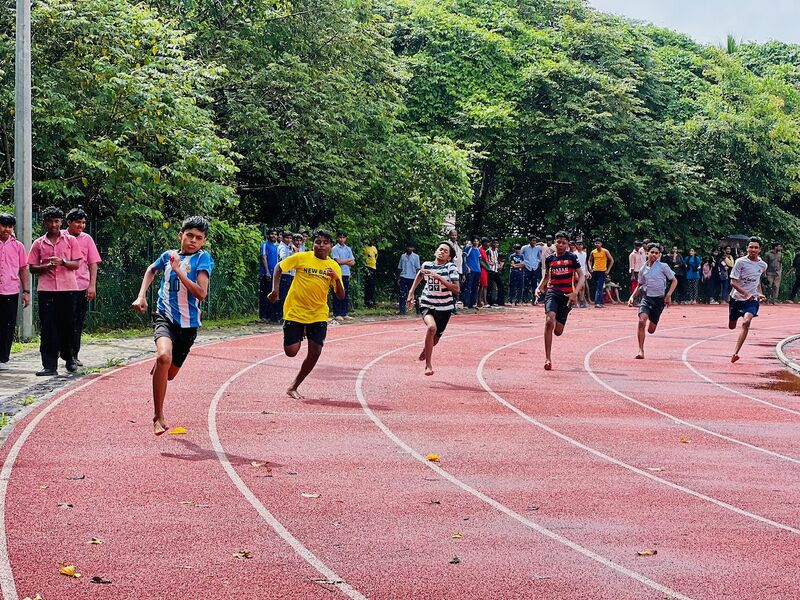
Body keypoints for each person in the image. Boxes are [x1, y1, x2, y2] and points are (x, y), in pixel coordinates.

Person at [132, 216, 214, 435]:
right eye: (189, 235)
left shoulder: (203, 259)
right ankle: (158, 416)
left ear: (203, 241)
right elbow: (151, 269)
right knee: (163, 358)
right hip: (164, 316)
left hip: (188, 326)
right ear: (181, 235)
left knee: (169, 374)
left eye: (198, 238)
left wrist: (178, 270)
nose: (193, 241)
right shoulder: (168, 256)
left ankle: (162, 365)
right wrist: (142, 296)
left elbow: (201, 293)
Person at [268, 230, 344, 398]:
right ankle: (299, 332)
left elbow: (340, 295)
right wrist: (275, 291)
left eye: (325, 242)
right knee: (291, 351)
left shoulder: (333, 266)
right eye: (318, 242)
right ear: (313, 244)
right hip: (295, 311)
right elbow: (278, 267)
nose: (321, 245)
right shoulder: (302, 257)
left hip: (318, 314)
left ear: (330, 246)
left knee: (315, 352)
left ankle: (293, 386)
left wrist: (337, 279)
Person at [28, 206, 81, 376]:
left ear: (61, 222)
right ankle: (49, 365)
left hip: (68, 288)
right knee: (48, 327)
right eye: (50, 221)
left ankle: (70, 358)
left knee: (68, 325)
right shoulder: (38, 243)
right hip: (47, 290)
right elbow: (32, 268)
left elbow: (77, 264)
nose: (53, 224)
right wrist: (47, 266)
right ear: (45, 223)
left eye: (57, 221)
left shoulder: (71, 241)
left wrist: (63, 262)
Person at [406, 241, 460, 376]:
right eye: (440, 249)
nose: (441, 252)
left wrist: (439, 277)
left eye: (445, 251)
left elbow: (456, 289)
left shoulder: (450, 268)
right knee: (431, 328)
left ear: (448, 257)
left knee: (435, 340)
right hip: (427, 303)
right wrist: (411, 292)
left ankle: (426, 349)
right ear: (435, 251)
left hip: (445, 308)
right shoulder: (427, 265)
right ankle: (428, 365)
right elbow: (420, 274)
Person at [535, 231, 585, 371]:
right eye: (558, 242)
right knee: (549, 321)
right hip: (552, 292)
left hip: (567, 296)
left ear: (568, 245)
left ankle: (559, 317)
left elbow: (582, 277)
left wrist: (575, 293)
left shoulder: (572, 258)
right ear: (555, 243)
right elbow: (546, 278)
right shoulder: (550, 259)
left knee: (558, 331)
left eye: (564, 243)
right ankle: (548, 358)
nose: (560, 245)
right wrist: (538, 288)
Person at [628, 243, 677, 359]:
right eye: (652, 252)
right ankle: (641, 350)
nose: (654, 255)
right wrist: (632, 297)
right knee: (641, 322)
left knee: (651, 330)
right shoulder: (642, 269)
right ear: (647, 253)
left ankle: (653, 319)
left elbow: (674, 281)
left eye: (656, 253)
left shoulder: (663, 266)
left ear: (659, 255)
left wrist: (669, 295)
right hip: (646, 298)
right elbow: (640, 285)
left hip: (659, 300)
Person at [728, 237, 768, 363]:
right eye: (751, 247)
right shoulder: (740, 262)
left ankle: (735, 353)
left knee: (746, 323)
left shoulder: (763, 265)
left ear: (760, 249)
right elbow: (733, 282)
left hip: (752, 300)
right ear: (747, 248)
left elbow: (757, 280)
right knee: (731, 325)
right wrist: (745, 294)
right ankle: (733, 318)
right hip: (736, 299)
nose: (753, 249)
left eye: (756, 247)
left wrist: (759, 293)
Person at [0, 213, 30, 369]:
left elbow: (23, 269)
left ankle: (3, 358)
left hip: (10, 291)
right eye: (4, 225)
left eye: (10, 226)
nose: (7, 229)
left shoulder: (18, 246)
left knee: (8, 325)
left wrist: (26, 291)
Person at [331, 231, 355, 321]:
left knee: (345, 293)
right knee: (337, 292)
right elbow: (338, 261)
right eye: (340, 237)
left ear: (346, 238)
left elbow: (353, 262)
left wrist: (344, 261)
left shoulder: (348, 249)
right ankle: (337, 313)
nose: (342, 239)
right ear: (337, 238)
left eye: (343, 237)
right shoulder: (335, 248)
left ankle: (344, 312)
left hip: (346, 273)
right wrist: (348, 260)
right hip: (337, 273)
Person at [259, 229, 279, 322]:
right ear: (268, 235)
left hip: (275, 274)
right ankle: (263, 315)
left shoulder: (277, 246)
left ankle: (271, 315)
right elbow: (264, 257)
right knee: (265, 294)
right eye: (272, 234)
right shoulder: (265, 245)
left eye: (275, 234)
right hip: (266, 273)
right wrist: (267, 271)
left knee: (273, 294)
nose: (274, 236)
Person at [587, 239, 613, 308]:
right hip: (595, 270)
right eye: (596, 243)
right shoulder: (593, 252)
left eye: (598, 243)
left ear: (601, 244)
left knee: (599, 286)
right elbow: (589, 260)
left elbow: (611, 260)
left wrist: (608, 270)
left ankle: (597, 303)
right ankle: (601, 302)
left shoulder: (605, 251)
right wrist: (590, 268)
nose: (597, 244)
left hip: (602, 271)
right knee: (598, 287)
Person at [277, 231, 296, 319]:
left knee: (288, 294)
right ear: (283, 238)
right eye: (287, 238)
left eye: (290, 238)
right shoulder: (282, 247)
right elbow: (283, 258)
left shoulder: (289, 247)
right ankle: (282, 315)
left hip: (290, 273)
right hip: (284, 273)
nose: (289, 240)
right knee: (284, 295)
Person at [397, 242, 420, 314]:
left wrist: (418, 279)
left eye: (411, 247)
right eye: (408, 247)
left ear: (413, 248)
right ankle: (402, 310)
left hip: (412, 277)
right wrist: (398, 278)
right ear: (406, 248)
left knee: (413, 294)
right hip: (403, 276)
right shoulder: (403, 256)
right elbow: (400, 267)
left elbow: (417, 268)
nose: (410, 249)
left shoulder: (416, 257)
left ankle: (417, 309)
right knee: (402, 294)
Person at [521, 235, 542, 305]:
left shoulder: (537, 248)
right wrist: (524, 263)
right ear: (529, 241)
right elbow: (520, 256)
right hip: (527, 267)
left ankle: (534, 300)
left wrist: (537, 262)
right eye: (533, 240)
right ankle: (524, 300)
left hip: (535, 267)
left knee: (534, 285)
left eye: (535, 241)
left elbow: (539, 257)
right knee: (526, 284)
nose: (534, 242)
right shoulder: (524, 248)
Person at [462, 236, 481, 309]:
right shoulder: (468, 248)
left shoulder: (478, 250)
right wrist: (467, 267)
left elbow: (479, 260)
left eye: (477, 241)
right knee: (468, 287)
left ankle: (473, 303)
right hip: (471, 270)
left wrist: (479, 269)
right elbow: (464, 258)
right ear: (472, 242)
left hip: (477, 270)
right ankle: (466, 303)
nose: (476, 242)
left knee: (475, 287)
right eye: (474, 241)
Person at [487, 238, 505, 306]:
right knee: (491, 286)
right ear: (491, 243)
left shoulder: (496, 251)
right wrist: (489, 263)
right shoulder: (488, 251)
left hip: (495, 270)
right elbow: (485, 260)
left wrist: (499, 266)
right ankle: (490, 301)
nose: (495, 244)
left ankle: (500, 301)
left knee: (500, 285)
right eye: (494, 243)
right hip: (490, 270)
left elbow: (497, 260)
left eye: (497, 243)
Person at [363, 240, 378, 308]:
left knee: (373, 284)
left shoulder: (374, 248)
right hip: (367, 266)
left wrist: (374, 260)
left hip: (373, 267)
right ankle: (367, 300)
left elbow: (376, 254)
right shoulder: (365, 248)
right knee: (368, 283)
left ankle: (372, 299)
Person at [574, 240, 589, 308]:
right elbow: (574, 265)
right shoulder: (574, 254)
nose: (579, 246)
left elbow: (585, 263)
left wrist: (587, 271)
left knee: (583, 287)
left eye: (581, 245)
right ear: (576, 245)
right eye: (578, 244)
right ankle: (575, 302)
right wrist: (575, 273)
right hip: (577, 272)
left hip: (583, 272)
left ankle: (582, 301)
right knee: (577, 287)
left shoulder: (584, 253)